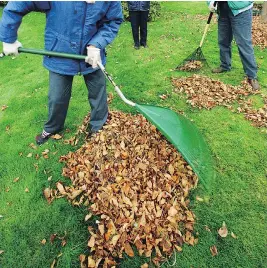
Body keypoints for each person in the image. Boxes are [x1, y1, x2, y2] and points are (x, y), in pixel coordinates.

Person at [0, 1, 123, 145]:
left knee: (98, 94)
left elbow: (113, 21)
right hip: (59, 53)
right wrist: (8, 39)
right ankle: (53, 127)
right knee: (57, 97)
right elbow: (18, 5)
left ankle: (98, 127)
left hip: (93, 56)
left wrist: (97, 44)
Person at [209, 1, 260, 90]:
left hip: (241, 11)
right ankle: (225, 65)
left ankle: (252, 76)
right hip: (223, 9)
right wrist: (210, 2)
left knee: (244, 44)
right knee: (223, 40)